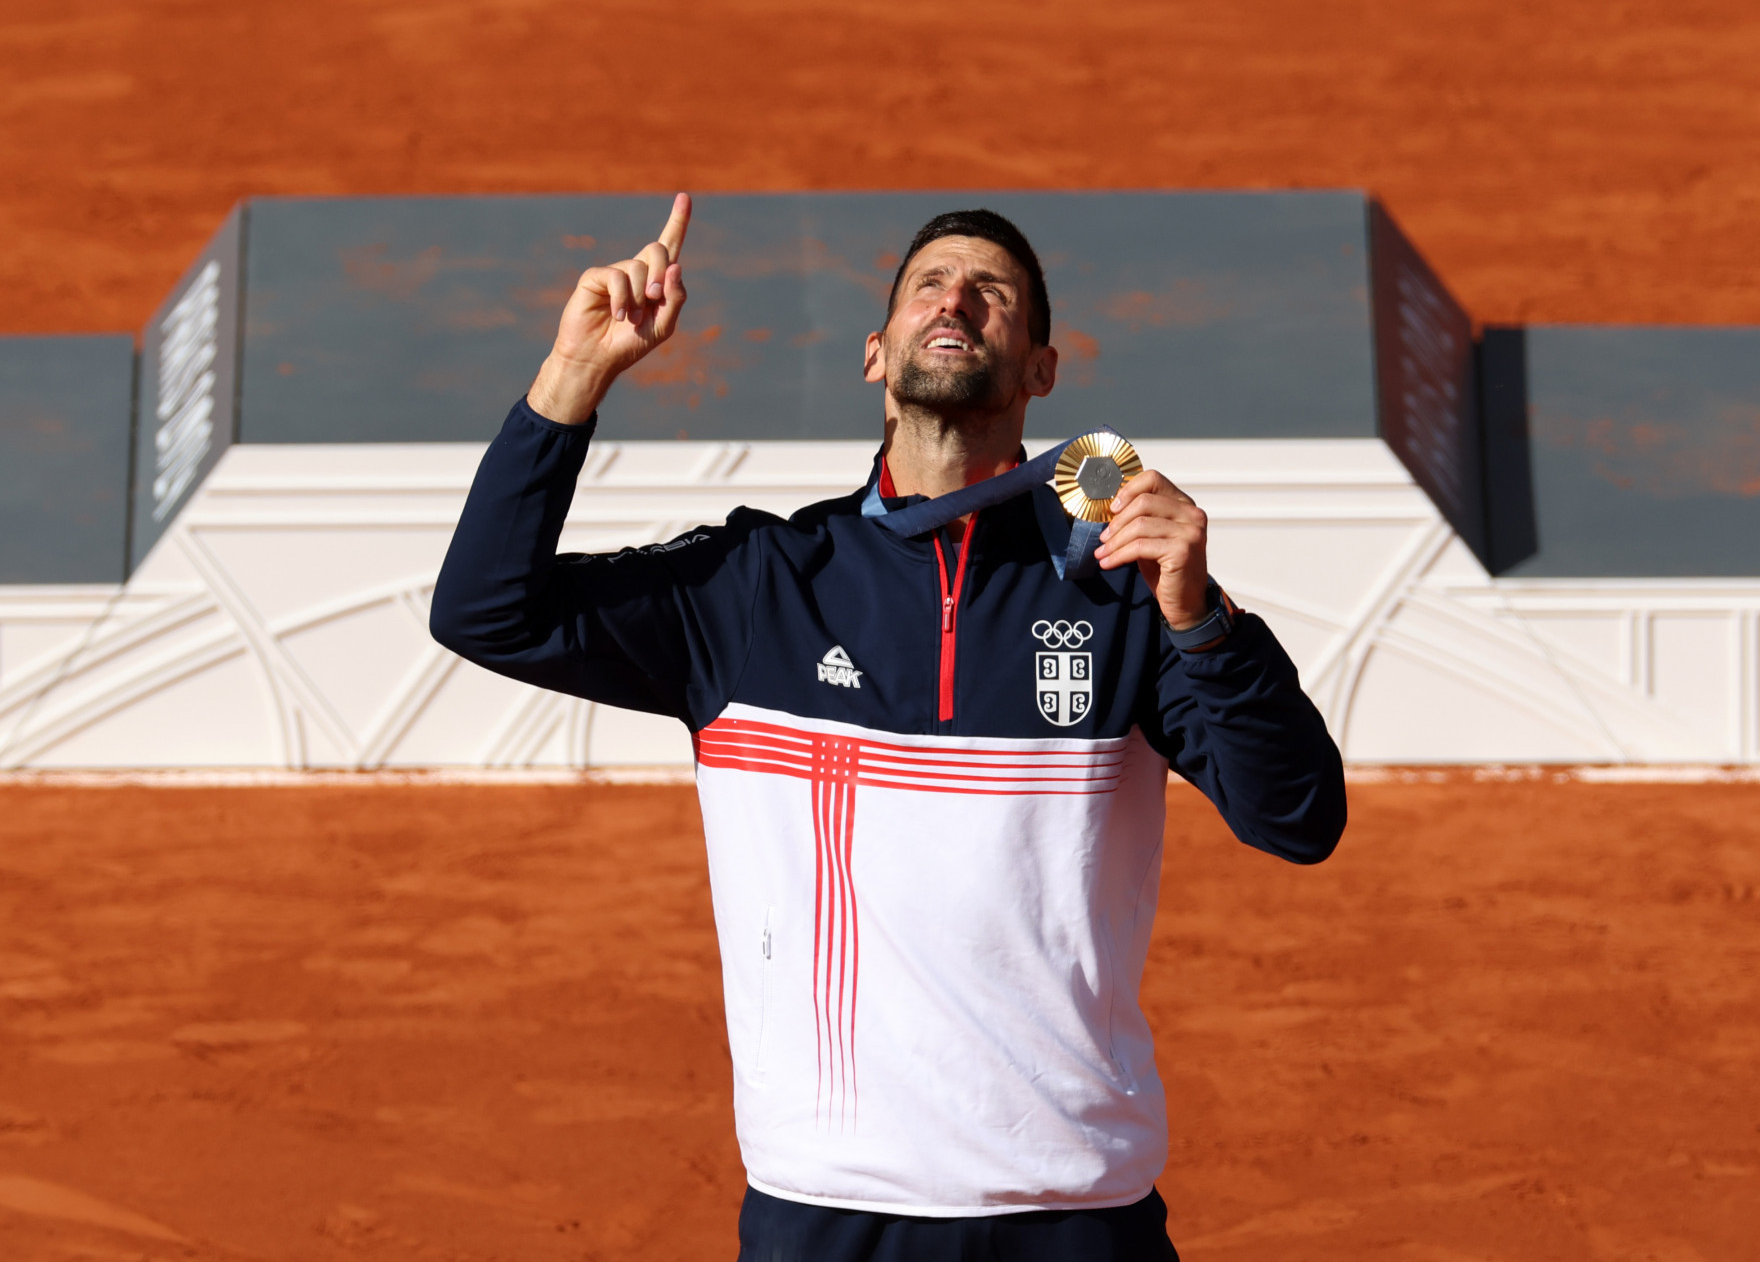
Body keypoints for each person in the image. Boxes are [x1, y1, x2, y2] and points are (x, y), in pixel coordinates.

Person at [430, 194, 1346, 1261]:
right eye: (928, 285)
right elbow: (487, 611)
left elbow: (1298, 817)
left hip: (1071, 1213)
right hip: (825, 1212)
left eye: (991, 292)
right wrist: (571, 378)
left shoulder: (1123, 595)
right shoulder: (757, 587)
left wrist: (1202, 620)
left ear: (1041, 371)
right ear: (875, 354)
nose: (955, 298)